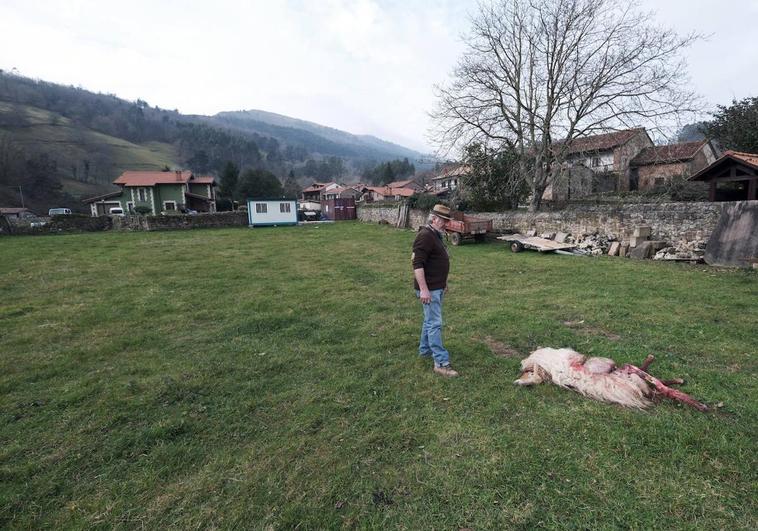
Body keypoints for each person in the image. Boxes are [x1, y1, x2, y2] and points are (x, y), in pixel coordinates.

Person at [412, 204, 459, 377]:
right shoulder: (425, 236)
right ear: (434, 219)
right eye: (444, 220)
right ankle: (440, 363)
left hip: (436, 286)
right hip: (429, 289)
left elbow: (438, 261)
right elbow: (417, 265)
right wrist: (424, 290)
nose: (446, 223)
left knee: (429, 321)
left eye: (447, 220)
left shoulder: (436, 235)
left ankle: (425, 351)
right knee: (434, 323)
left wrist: (443, 282)